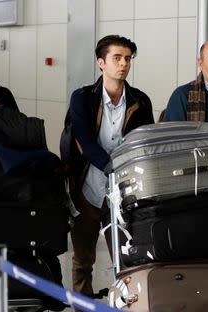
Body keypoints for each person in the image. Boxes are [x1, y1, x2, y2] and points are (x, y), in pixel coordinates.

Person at [68, 35, 154, 297]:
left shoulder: (140, 100)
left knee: (127, 259)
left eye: (128, 58)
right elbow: (82, 140)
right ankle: (83, 305)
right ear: (101, 62)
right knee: (83, 260)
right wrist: (111, 166)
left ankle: (128, 303)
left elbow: (144, 142)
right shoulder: (82, 98)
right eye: (117, 58)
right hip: (88, 190)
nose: (124, 64)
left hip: (126, 193)